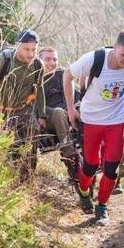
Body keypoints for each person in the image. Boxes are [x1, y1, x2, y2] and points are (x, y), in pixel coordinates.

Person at [63, 29, 124, 225]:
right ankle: (83, 191)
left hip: (117, 121)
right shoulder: (94, 60)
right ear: (114, 47)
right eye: (123, 55)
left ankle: (101, 206)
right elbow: (67, 75)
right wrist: (70, 110)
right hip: (91, 120)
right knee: (91, 166)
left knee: (111, 170)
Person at [0, 29, 47, 183]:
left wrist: (42, 114)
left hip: (25, 110)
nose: (30, 54)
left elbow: (40, 88)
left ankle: (25, 184)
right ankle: (6, 182)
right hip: (2, 111)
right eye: (26, 49)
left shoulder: (38, 64)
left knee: (31, 146)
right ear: (18, 46)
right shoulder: (3, 60)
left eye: (34, 50)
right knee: (13, 148)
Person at [38, 46, 81, 181]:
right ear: (40, 61)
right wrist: (42, 114)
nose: (52, 63)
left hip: (69, 111)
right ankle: (71, 157)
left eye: (55, 59)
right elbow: (33, 103)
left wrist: (75, 107)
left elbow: (77, 95)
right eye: (48, 59)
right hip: (50, 116)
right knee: (58, 112)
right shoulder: (36, 79)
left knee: (83, 107)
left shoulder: (63, 74)